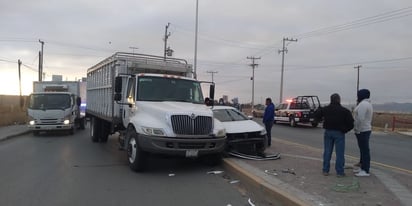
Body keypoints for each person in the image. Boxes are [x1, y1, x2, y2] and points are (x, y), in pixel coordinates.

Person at [315, 93, 354, 177]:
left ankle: (325, 170)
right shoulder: (345, 111)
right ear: (339, 100)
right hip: (339, 133)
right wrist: (345, 130)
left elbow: (317, 115)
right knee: (340, 153)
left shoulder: (326, 109)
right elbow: (351, 123)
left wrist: (319, 117)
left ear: (331, 100)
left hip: (328, 131)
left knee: (327, 151)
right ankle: (339, 172)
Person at [353, 89, 373, 177]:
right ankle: (362, 167)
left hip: (362, 130)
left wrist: (357, 129)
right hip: (365, 129)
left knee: (364, 150)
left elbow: (360, 119)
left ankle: (365, 170)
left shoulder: (363, 104)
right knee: (363, 150)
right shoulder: (367, 104)